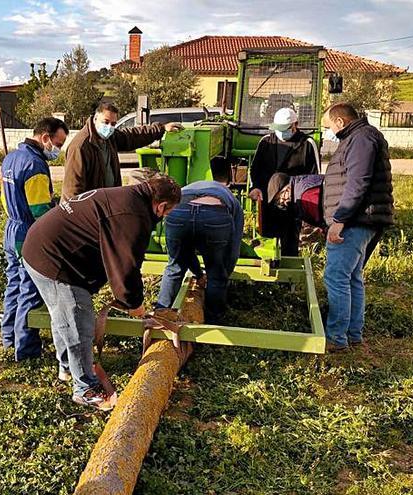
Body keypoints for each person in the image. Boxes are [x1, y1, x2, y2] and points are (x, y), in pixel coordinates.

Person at [23, 176, 182, 410]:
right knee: (78, 322)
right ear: (161, 206)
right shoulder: (133, 217)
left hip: (40, 247)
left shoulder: (129, 196)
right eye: (169, 212)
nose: (166, 217)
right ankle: (84, 388)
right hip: (54, 260)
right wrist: (134, 304)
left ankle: (68, 367)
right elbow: (125, 268)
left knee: (63, 316)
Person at [321, 103, 394, 352]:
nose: (329, 131)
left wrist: (339, 219)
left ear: (340, 121)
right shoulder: (362, 137)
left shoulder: (360, 139)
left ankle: (337, 338)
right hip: (362, 219)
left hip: (355, 221)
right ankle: (352, 335)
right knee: (352, 278)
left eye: (329, 125)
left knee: (336, 277)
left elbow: (357, 182)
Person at [0, 117, 69, 361]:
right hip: (28, 232)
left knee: (13, 285)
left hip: (11, 229)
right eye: (58, 143)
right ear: (45, 137)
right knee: (30, 290)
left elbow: (6, 198)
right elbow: (40, 209)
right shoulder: (34, 165)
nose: (57, 150)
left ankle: (8, 338)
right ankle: (26, 350)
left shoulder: (11, 158)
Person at [155, 157, 244, 325]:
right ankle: (212, 323)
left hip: (178, 211)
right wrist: (223, 274)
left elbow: (185, 253)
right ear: (228, 183)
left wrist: (197, 273)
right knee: (216, 273)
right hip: (214, 215)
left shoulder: (190, 186)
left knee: (174, 267)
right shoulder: (232, 199)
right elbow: (233, 248)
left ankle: (160, 316)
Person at [61, 101, 182, 201]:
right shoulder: (80, 146)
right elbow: (72, 188)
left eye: (113, 124)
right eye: (106, 122)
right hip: (90, 208)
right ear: (95, 118)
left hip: (107, 202)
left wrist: (161, 129)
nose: (109, 127)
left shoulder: (109, 138)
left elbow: (132, 136)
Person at [249, 107, 320, 256]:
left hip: (293, 202)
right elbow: (255, 169)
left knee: (290, 239)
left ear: (295, 125)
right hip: (267, 198)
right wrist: (255, 188)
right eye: (278, 129)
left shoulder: (307, 144)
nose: (281, 133)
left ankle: (290, 266)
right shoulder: (266, 142)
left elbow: (315, 177)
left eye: (285, 129)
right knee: (266, 236)